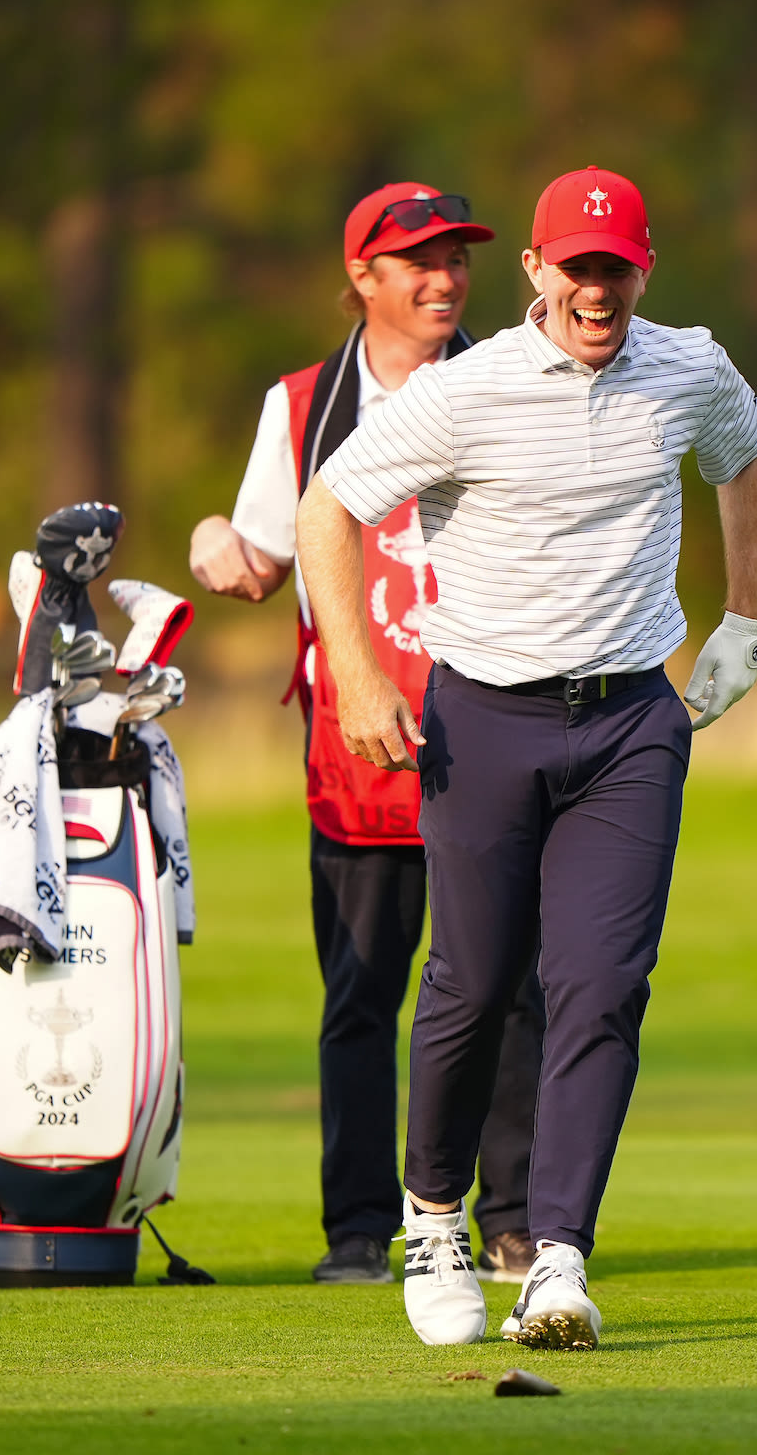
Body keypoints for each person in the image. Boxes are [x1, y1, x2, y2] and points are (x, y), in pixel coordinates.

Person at [295, 164, 757, 1350]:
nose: (597, 289)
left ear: (643, 270)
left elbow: (751, 458)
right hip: (489, 719)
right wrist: (357, 671)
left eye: (616, 268)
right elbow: (329, 507)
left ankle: (558, 1254)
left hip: (629, 725)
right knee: (467, 982)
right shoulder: (471, 391)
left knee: (603, 985)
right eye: (577, 268)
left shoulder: (688, 365)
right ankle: (431, 1219)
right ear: (537, 274)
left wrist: (746, 618)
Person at [187, 183, 547, 1287]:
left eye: (456, 260)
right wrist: (213, 543)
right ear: (362, 278)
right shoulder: (300, 405)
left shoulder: (514, 381)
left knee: (509, 990)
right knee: (361, 999)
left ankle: (516, 1221)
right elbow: (260, 558)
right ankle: (357, 1235)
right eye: (416, 262)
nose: (444, 280)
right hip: (359, 759)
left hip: (496, 739)